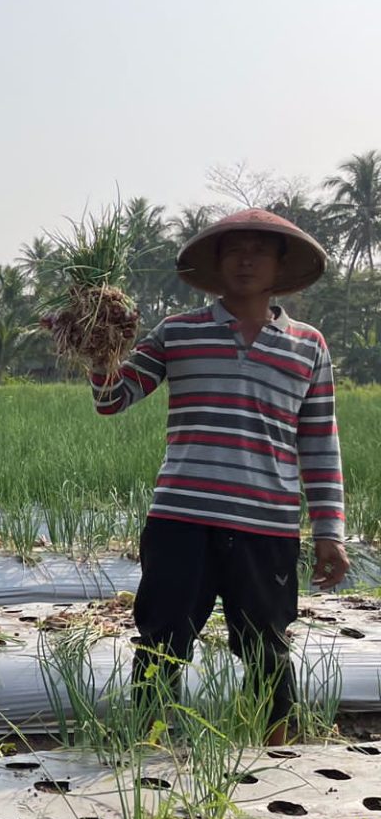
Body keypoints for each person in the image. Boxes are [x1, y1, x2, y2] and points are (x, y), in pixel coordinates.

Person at [91, 209, 346, 745]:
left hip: (266, 524)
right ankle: (150, 746)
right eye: (234, 250)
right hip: (182, 518)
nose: (246, 259)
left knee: (266, 645)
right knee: (162, 640)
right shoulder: (178, 333)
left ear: (280, 265)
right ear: (217, 262)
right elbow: (113, 400)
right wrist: (99, 349)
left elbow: (319, 442)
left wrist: (329, 532)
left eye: (258, 250)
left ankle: (276, 750)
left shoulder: (308, 345)